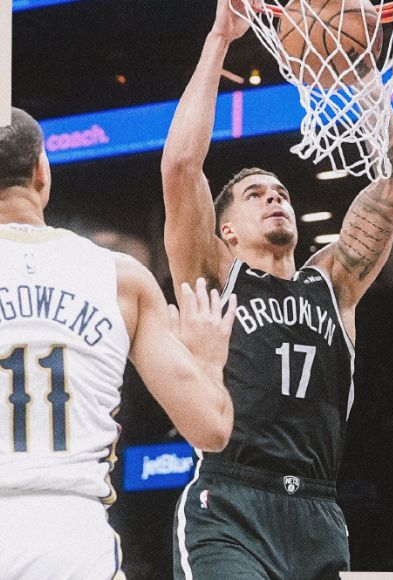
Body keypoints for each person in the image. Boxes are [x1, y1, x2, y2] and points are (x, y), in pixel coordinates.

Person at [161, 1, 393, 577]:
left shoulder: (333, 282)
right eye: (255, 195)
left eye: (280, 193)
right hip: (231, 503)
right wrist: (219, 40)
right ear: (226, 230)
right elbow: (180, 168)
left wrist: (359, 68)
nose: (274, 198)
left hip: (318, 511)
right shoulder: (215, 275)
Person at [0, 107, 236, 580]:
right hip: (73, 538)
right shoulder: (121, 278)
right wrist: (209, 360)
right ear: (42, 172)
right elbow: (211, 429)